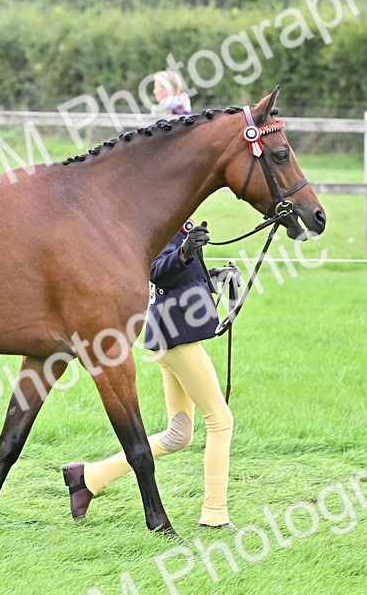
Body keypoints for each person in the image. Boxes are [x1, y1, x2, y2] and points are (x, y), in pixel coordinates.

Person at [62, 219, 237, 529]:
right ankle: (214, 515)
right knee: (221, 421)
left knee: (178, 435)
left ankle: (87, 477)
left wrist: (214, 277)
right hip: (176, 336)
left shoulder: (179, 216)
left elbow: (181, 275)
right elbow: (156, 270)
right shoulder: (158, 220)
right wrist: (184, 251)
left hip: (172, 336)